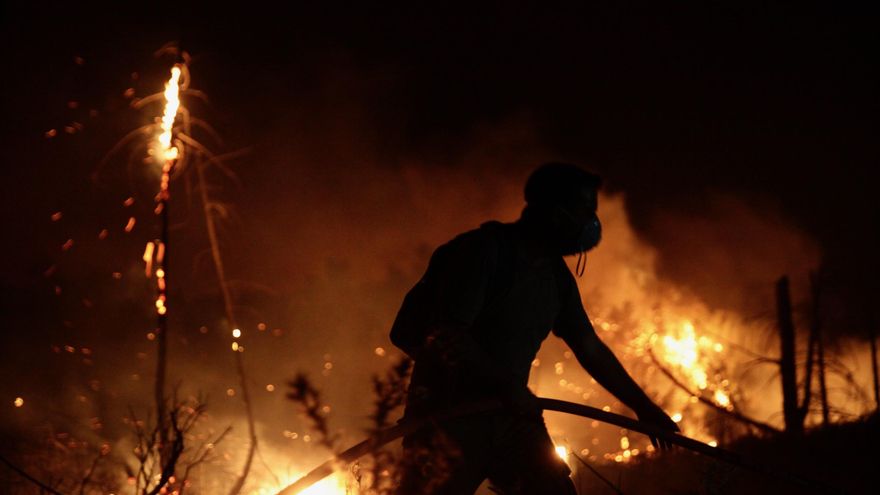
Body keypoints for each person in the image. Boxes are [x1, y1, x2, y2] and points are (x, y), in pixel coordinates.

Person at [390, 163, 678, 494]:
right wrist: (505, 385)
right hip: (447, 420)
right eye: (585, 210)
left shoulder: (556, 279)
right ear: (555, 213)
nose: (591, 223)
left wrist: (645, 408)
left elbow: (590, 347)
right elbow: (447, 336)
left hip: (512, 418)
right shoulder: (482, 252)